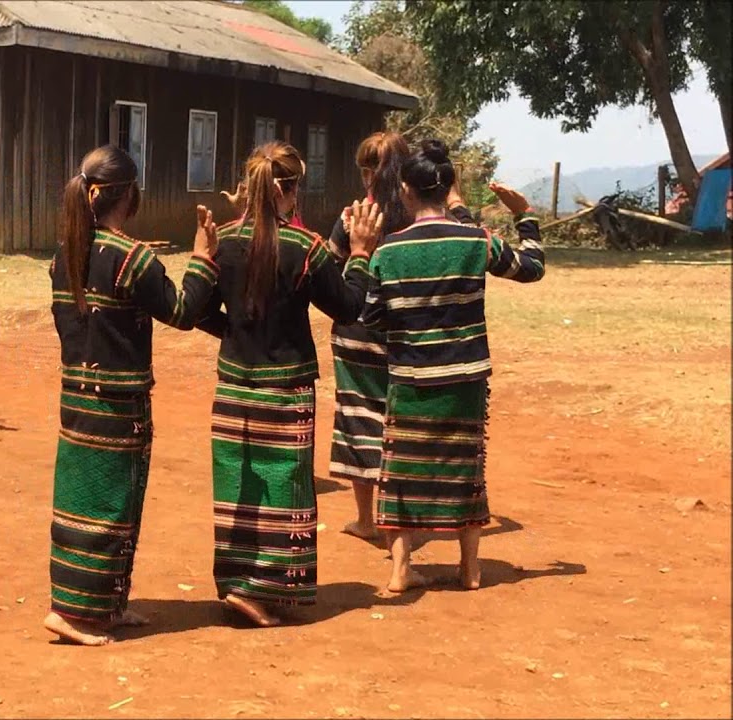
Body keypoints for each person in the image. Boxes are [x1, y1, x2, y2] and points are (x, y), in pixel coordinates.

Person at [44, 144, 219, 646]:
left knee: (82, 504)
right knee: (110, 507)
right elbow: (183, 311)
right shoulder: (132, 258)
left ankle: (104, 605)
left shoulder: (66, 255)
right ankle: (77, 615)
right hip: (118, 407)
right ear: (130, 195)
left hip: (77, 401)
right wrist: (203, 257)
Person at [199, 141, 379, 627]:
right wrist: (360, 253)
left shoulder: (224, 243)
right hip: (287, 387)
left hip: (234, 385)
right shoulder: (305, 247)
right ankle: (264, 589)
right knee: (284, 485)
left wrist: (234, 328)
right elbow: (348, 306)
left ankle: (238, 582)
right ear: (291, 189)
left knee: (238, 484)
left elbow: (195, 309)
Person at [356, 139, 545, 593]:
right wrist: (526, 216)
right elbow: (532, 267)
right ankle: (470, 568)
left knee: (401, 471)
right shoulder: (476, 240)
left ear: (405, 190)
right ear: (449, 188)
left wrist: (362, 257)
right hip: (465, 378)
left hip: (410, 378)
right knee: (465, 469)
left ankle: (400, 569)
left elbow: (371, 316)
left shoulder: (389, 251)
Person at [325, 131, 411, 541]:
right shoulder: (418, 217)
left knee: (357, 418)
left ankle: (365, 518)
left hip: (357, 328)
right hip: (405, 333)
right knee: (398, 420)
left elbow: (329, 265)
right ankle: (401, 517)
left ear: (365, 173)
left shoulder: (354, 215)